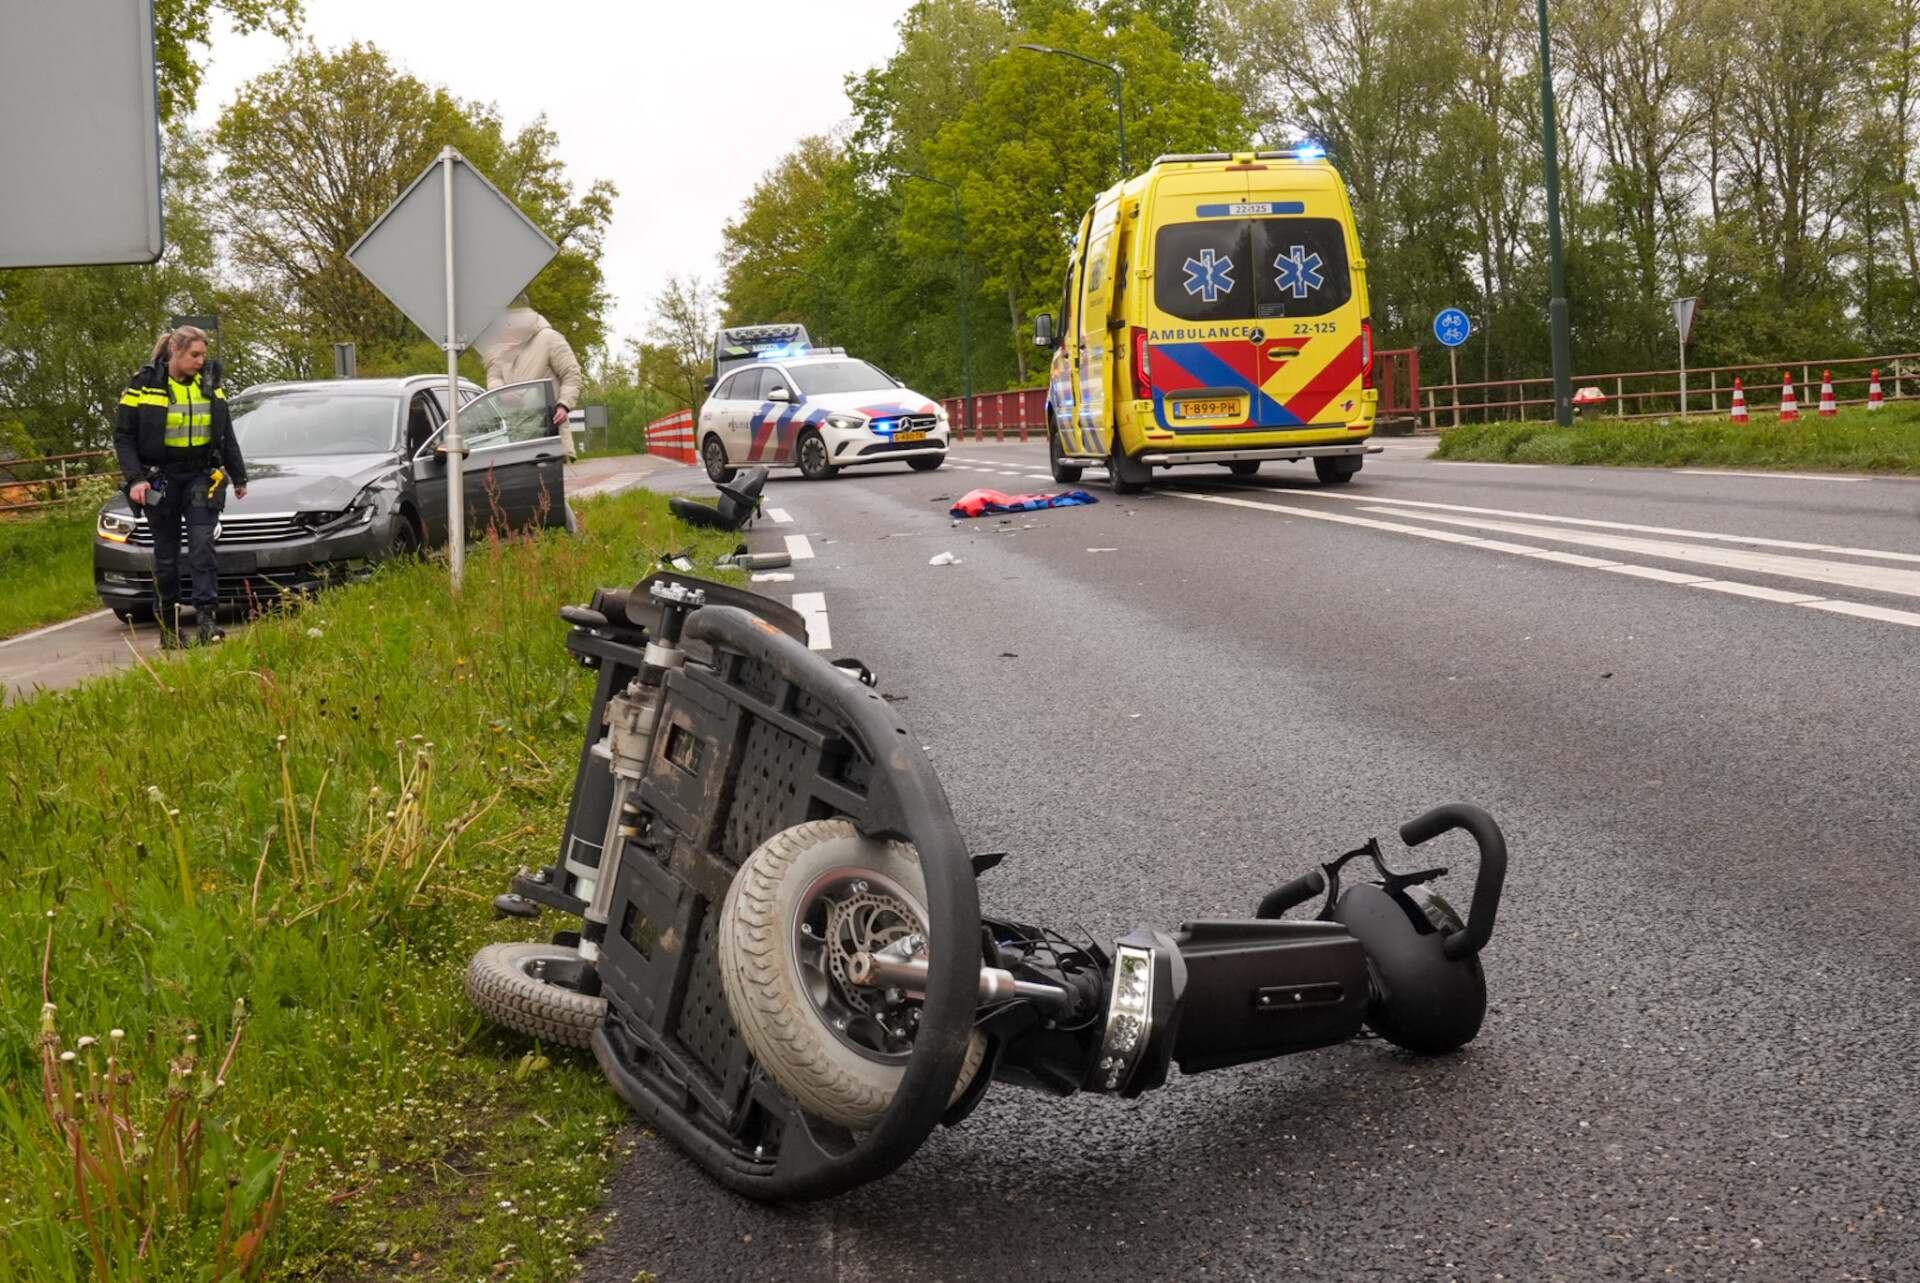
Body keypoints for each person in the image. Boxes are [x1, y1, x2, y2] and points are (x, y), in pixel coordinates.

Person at [113, 327, 248, 648]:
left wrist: (239, 476)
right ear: (174, 349)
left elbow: (226, 433)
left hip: (201, 477)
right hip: (162, 480)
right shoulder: (144, 384)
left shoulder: (211, 385)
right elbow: (124, 437)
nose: (201, 361)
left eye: (203, 355)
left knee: (203, 548)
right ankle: (169, 629)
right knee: (167, 557)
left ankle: (206, 620)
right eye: (194, 355)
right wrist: (136, 479)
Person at [480, 292, 584, 460]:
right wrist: (501, 391)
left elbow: (571, 374)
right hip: (513, 433)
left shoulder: (549, 338)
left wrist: (564, 406)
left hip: (549, 431)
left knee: (548, 484)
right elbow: (493, 377)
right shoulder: (499, 346)